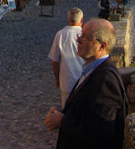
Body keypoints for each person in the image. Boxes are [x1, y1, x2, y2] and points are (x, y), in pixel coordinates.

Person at [45, 18, 128, 148]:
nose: (78, 40)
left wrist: (63, 120)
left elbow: (103, 131)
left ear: (102, 45)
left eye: (85, 37)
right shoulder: (92, 70)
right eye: (80, 36)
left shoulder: (106, 79)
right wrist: (63, 112)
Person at [48, 8, 85, 108]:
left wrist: (57, 78)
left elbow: (55, 60)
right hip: (84, 80)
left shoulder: (60, 35)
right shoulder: (86, 35)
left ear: (68, 20)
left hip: (67, 80)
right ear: (81, 20)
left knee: (67, 109)